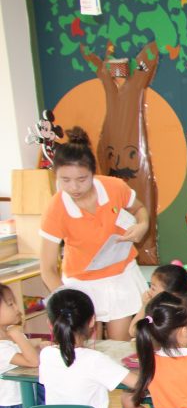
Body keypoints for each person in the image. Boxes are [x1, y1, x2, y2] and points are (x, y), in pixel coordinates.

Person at [40, 127, 150, 341]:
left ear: (93, 173)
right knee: (88, 345)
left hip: (120, 275)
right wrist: (70, 302)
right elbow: (47, 269)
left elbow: (139, 209)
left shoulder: (114, 187)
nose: (74, 187)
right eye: (65, 180)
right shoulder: (55, 208)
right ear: (56, 177)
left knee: (121, 343)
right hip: (82, 282)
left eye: (82, 179)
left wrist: (143, 225)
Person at [0, 284, 44, 408]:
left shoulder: (7, 335)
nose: (17, 309)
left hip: (26, 395)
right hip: (13, 406)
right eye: (10, 304)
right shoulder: (3, 345)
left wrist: (38, 343)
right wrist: (18, 335)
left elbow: (22, 347)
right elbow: (33, 362)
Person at [129, 264, 187, 341]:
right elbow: (133, 331)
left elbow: (134, 331)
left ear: (171, 294)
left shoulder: (173, 314)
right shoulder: (157, 309)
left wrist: (145, 306)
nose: (149, 292)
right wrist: (144, 306)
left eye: (153, 288)